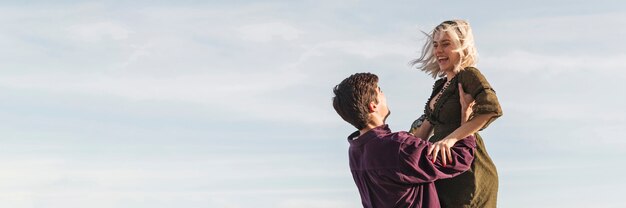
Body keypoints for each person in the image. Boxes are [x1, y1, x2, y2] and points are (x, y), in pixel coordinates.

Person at [332, 72, 477, 208]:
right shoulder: (397, 146)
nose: (383, 94)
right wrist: (467, 117)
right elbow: (460, 158)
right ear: (373, 106)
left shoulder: (355, 152)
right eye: (379, 90)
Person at [409, 19, 503, 208]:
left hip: (467, 168)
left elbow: (492, 109)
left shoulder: (468, 75)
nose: (438, 51)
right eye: (436, 45)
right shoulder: (439, 86)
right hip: (441, 170)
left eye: (445, 44)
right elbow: (425, 130)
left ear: (462, 45)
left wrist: (451, 139)